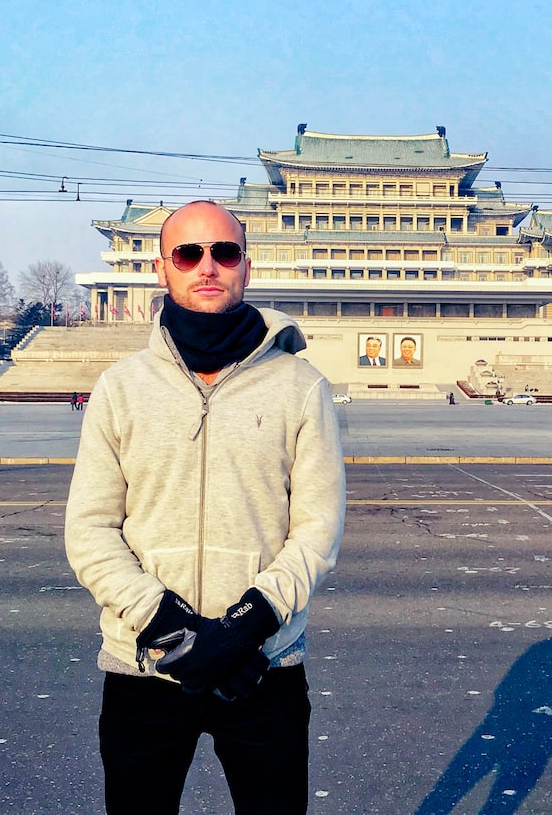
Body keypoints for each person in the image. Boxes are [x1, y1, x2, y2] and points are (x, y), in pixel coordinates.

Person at [65, 200, 346, 815]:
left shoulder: (301, 387)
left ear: (247, 266)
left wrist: (245, 627)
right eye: (188, 254)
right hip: (146, 665)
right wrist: (173, 627)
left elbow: (317, 531)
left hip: (262, 669)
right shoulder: (121, 387)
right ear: (163, 269)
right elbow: (89, 530)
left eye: (224, 252)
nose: (207, 267)